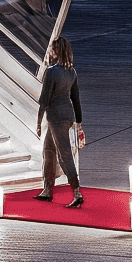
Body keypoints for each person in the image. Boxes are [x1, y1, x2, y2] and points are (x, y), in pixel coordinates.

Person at [36, 36, 84, 206]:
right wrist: (79, 123)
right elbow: (76, 99)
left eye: (51, 48)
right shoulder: (72, 71)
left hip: (55, 118)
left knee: (64, 155)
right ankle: (47, 190)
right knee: (48, 150)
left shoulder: (51, 71)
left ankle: (77, 193)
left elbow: (44, 99)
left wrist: (38, 121)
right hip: (68, 116)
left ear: (55, 51)